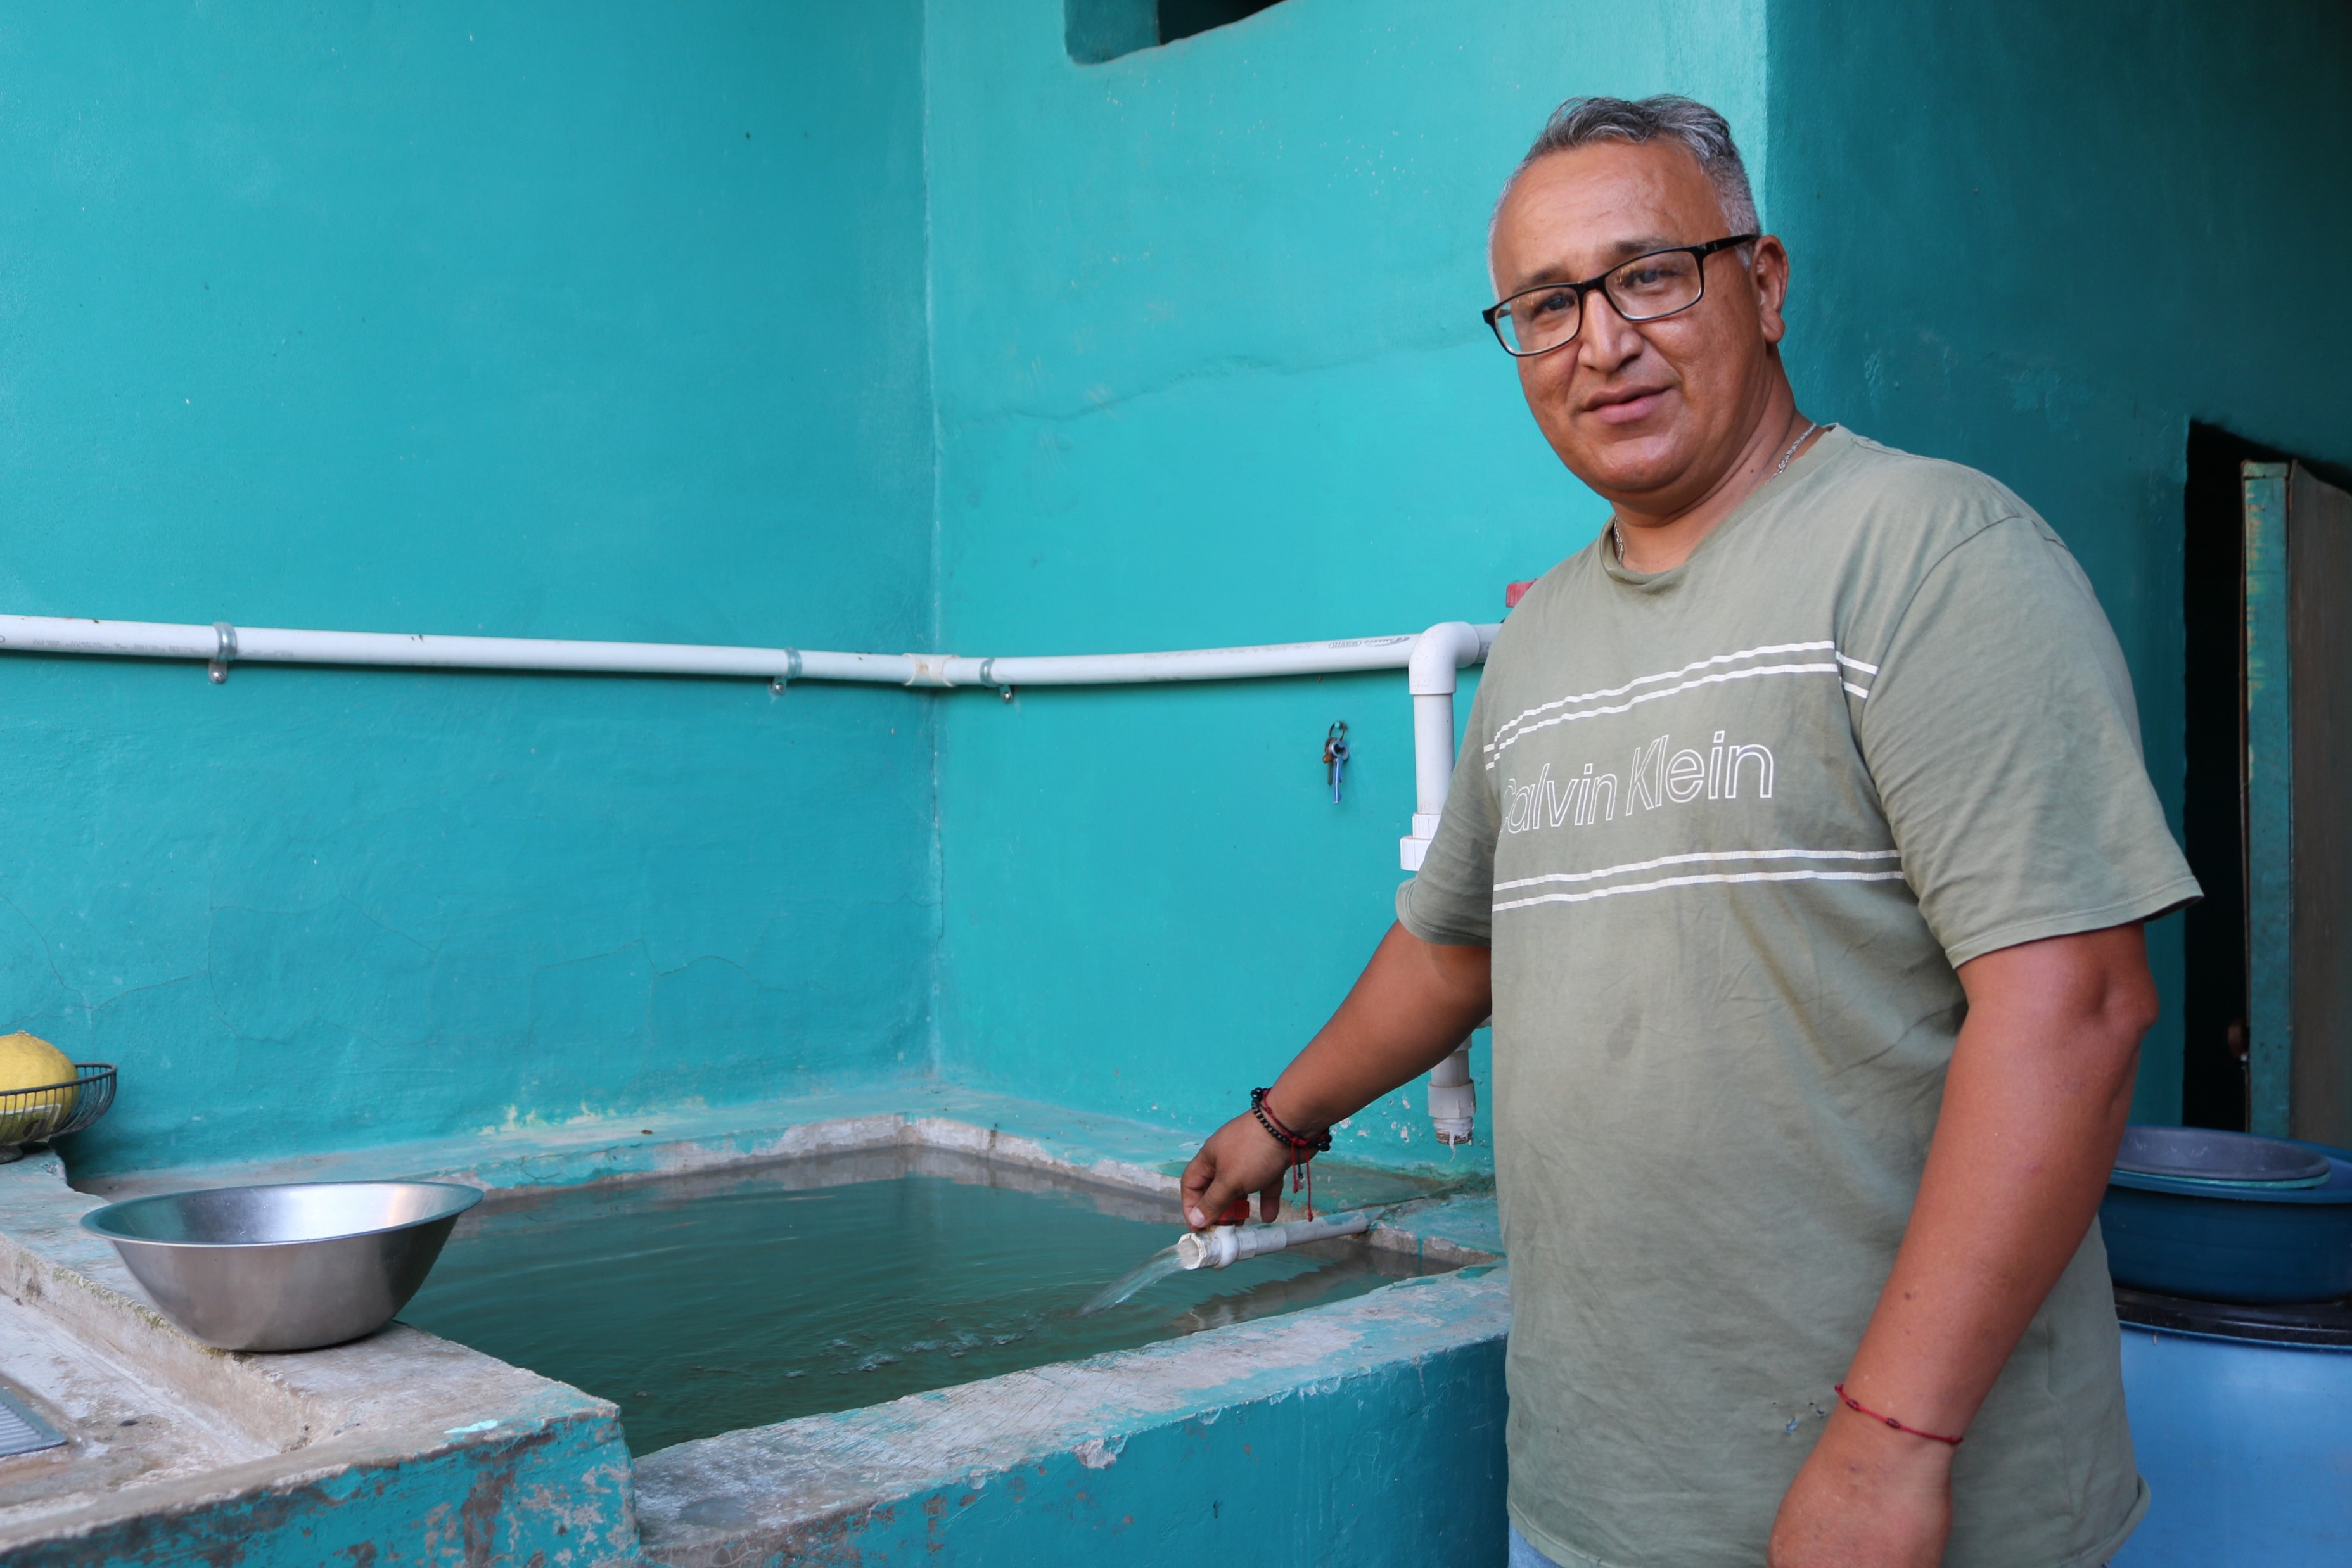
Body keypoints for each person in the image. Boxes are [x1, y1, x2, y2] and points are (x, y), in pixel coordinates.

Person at [1180, 96, 2198, 1568]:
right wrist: (1277, 1119)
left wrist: (1889, 1442)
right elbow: (1455, 946)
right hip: (1595, 1500)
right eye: (1544, 305)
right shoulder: (1533, 646)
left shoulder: (1929, 556)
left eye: (1647, 274)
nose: (1599, 340)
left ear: (1762, 283)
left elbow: (2077, 1006)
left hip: (1900, 1504)